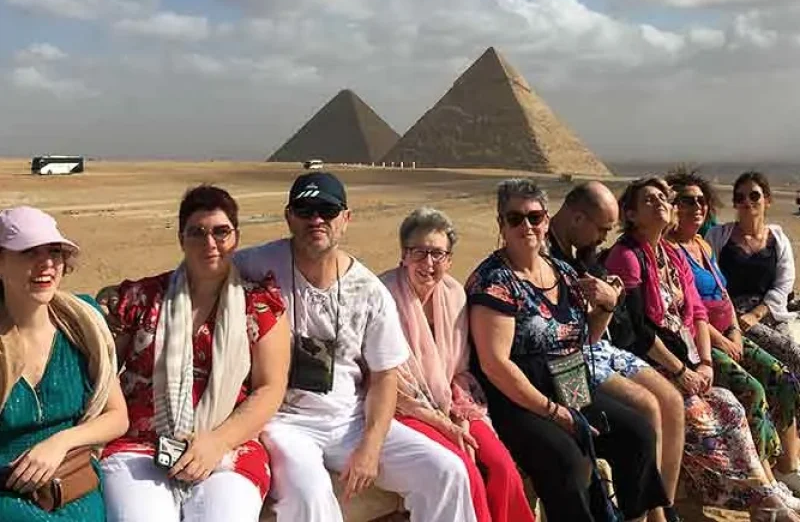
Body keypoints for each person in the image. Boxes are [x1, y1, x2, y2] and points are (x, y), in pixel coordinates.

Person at [234, 172, 476, 522]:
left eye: (327, 211)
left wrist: (371, 447)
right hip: (285, 421)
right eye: (305, 210)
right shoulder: (255, 265)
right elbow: (197, 274)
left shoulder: (368, 290)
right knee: (310, 496)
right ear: (289, 216)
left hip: (350, 419)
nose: (316, 219)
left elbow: (384, 377)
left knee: (448, 471)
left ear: (345, 219)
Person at [466, 178, 668, 522]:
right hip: (520, 397)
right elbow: (495, 364)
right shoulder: (494, 281)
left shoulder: (562, 271)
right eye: (514, 218)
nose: (526, 226)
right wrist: (553, 412)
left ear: (546, 220)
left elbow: (584, 338)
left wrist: (605, 307)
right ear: (501, 224)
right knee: (569, 462)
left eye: (534, 217)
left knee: (637, 434)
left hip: (570, 381)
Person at [604, 176, 799, 520]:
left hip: (690, 358)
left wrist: (705, 362)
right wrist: (683, 371)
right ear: (631, 215)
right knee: (702, 416)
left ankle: (763, 494)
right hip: (652, 362)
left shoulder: (672, 255)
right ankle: (684, 506)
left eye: (665, 197)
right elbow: (637, 330)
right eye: (651, 200)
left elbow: (695, 311)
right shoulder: (627, 257)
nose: (663, 203)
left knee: (731, 407)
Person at [100, 185, 291, 522]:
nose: (210, 243)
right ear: (181, 238)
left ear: (236, 237)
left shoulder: (259, 306)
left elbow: (270, 388)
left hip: (229, 445)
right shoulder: (143, 298)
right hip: (143, 445)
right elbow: (104, 369)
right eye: (197, 233)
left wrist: (216, 443)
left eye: (221, 232)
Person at [380, 207, 536, 522]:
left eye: (438, 254)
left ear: (449, 260)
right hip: (405, 410)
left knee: (503, 469)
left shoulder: (454, 296)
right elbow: (389, 385)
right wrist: (445, 425)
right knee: (466, 471)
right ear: (403, 255)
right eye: (419, 253)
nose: (428, 264)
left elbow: (461, 370)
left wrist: (461, 414)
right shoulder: (381, 296)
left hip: (453, 402)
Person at [548, 181, 685, 522]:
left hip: (591, 349)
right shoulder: (540, 259)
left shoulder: (580, 251)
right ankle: (648, 516)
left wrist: (609, 301)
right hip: (560, 365)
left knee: (670, 401)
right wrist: (606, 306)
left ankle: (660, 511)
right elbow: (568, 342)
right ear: (578, 218)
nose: (603, 239)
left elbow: (598, 330)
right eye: (602, 229)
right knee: (646, 411)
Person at [666, 168, 800, 496]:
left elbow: (774, 285)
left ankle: (787, 467)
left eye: (701, 201)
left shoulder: (703, 245)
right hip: (703, 339)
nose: (696, 207)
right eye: (687, 201)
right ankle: (767, 484)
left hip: (742, 325)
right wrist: (727, 335)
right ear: (673, 207)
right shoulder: (680, 250)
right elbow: (692, 312)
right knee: (753, 389)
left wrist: (737, 331)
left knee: (781, 375)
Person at [0, 206, 128, 521]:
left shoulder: (82, 322)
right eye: (29, 252)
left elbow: (117, 416)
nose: (47, 264)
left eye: (55, 252)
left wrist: (61, 442)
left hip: (74, 488)